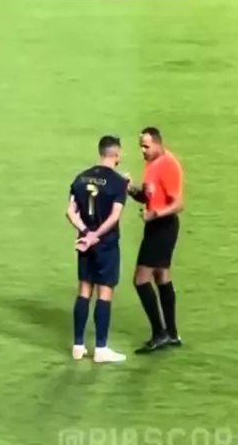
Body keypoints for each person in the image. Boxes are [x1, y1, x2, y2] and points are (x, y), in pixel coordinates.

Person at [66, 136, 127, 363]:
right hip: (106, 244)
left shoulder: (81, 178)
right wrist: (96, 236)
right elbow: (114, 216)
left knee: (84, 290)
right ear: (116, 154)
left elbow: (70, 212)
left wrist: (86, 233)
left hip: (84, 243)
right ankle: (101, 348)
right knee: (105, 292)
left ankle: (78, 345)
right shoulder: (118, 183)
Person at [126, 128, 184, 354]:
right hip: (156, 226)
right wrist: (131, 190)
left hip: (163, 226)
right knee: (162, 277)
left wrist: (154, 214)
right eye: (141, 146)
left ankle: (160, 334)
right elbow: (148, 195)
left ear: (159, 143)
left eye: (146, 146)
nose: (143, 150)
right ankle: (172, 333)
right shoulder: (152, 163)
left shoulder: (168, 165)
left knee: (141, 280)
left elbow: (178, 204)